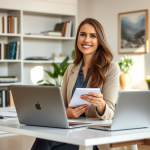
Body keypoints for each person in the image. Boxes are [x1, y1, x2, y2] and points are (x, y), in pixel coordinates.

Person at [31, 18, 126, 150]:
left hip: (94, 136)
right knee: (45, 139)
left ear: (99, 41)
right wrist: (67, 114)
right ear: (77, 39)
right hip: (71, 132)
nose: (86, 40)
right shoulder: (71, 69)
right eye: (82, 34)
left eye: (93, 36)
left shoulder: (111, 69)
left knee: (46, 142)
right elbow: (62, 105)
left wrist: (101, 104)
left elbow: (111, 113)